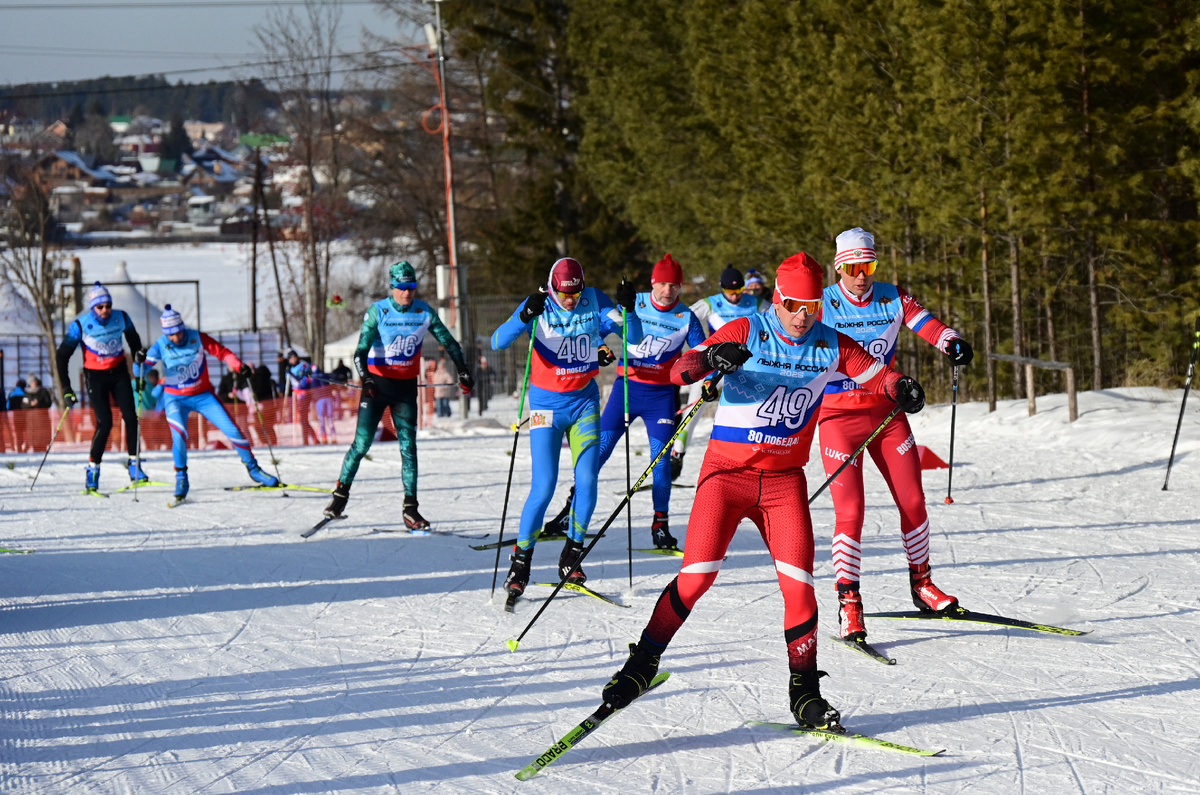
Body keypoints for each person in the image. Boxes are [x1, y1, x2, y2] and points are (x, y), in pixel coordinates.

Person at [599, 252, 927, 731]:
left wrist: (901, 385)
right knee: (696, 578)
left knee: (800, 589)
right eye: (793, 304)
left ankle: (805, 692)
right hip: (726, 477)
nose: (802, 315)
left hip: (782, 484)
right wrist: (709, 359)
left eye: (812, 305)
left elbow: (876, 373)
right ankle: (642, 663)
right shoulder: (748, 330)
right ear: (778, 298)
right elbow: (679, 370)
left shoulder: (831, 343)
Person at [818, 227, 974, 641]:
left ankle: (922, 585)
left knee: (913, 500)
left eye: (867, 265)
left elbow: (927, 324)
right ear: (839, 269)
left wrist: (952, 342)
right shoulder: (823, 305)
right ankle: (849, 601)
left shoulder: (892, 296)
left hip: (887, 413)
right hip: (837, 416)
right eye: (852, 267)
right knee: (851, 511)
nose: (861, 275)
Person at [491, 257, 640, 597]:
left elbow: (634, 339)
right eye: (564, 295)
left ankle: (572, 553)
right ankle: (521, 559)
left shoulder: (594, 300)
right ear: (552, 286)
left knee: (587, 480)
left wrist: (629, 310)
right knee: (544, 487)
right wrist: (524, 316)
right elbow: (497, 341)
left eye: (576, 294)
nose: (570, 301)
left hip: (584, 403)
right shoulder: (540, 305)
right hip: (546, 409)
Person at [542, 253, 704, 550]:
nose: (668, 291)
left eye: (675, 286)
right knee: (597, 453)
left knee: (661, 463)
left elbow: (701, 352)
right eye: (663, 284)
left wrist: (708, 377)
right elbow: (596, 329)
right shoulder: (635, 301)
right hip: (626, 390)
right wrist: (601, 347)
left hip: (660, 397)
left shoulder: (686, 316)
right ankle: (570, 511)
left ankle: (660, 525)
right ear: (653, 283)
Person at [321, 262, 473, 530]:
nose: (407, 293)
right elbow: (359, 352)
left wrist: (462, 370)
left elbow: (449, 342)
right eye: (401, 287)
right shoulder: (378, 311)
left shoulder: (423, 311)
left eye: (411, 287)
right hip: (377, 388)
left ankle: (411, 509)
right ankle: (339, 498)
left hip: (404, 389)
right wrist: (366, 378)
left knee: (409, 449)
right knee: (362, 444)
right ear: (392, 287)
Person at [140, 304, 280, 502]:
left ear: (182, 327)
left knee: (233, 430)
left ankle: (254, 469)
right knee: (179, 436)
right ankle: (181, 477)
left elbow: (222, 352)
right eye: (171, 335)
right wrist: (140, 362)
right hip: (175, 399)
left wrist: (239, 367)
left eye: (178, 332)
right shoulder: (161, 344)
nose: (176, 338)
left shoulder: (196, 337)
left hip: (203, 396)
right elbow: (141, 373)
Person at [670, 265, 769, 481]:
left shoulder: (756, 303)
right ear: (721, 288)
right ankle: (677, 454)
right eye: (729, 291)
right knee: (693, 411)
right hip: (713, 368)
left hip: (746, 369)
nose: (734, 296)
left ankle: (757, 460)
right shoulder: (711, 303)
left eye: (739, 290)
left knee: (756, 412)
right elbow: (681, 317)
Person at [56, 281, 147, 493]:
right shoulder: (80, 325)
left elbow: (134, 341)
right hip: (95, 377)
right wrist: (67, 389)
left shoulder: (121, 317)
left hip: (118, 373)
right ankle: (93, 470)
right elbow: (62, 357)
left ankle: (135, 466)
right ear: (93, 308)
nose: (105, 310)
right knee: (104, 423)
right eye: (100, 307)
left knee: (131, 418)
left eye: (108, 305)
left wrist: (138, 355)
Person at [285, 350, 320, 446]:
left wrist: (305, 379)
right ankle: (312, 439)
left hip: (304, 394)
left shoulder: (303, 365)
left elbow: (312, 372)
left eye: (294, 357)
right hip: (296, 395)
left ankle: (309, 440)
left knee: (303, 419)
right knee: (302, 419)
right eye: (291, 358)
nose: (293, 360)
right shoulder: (291, 368)